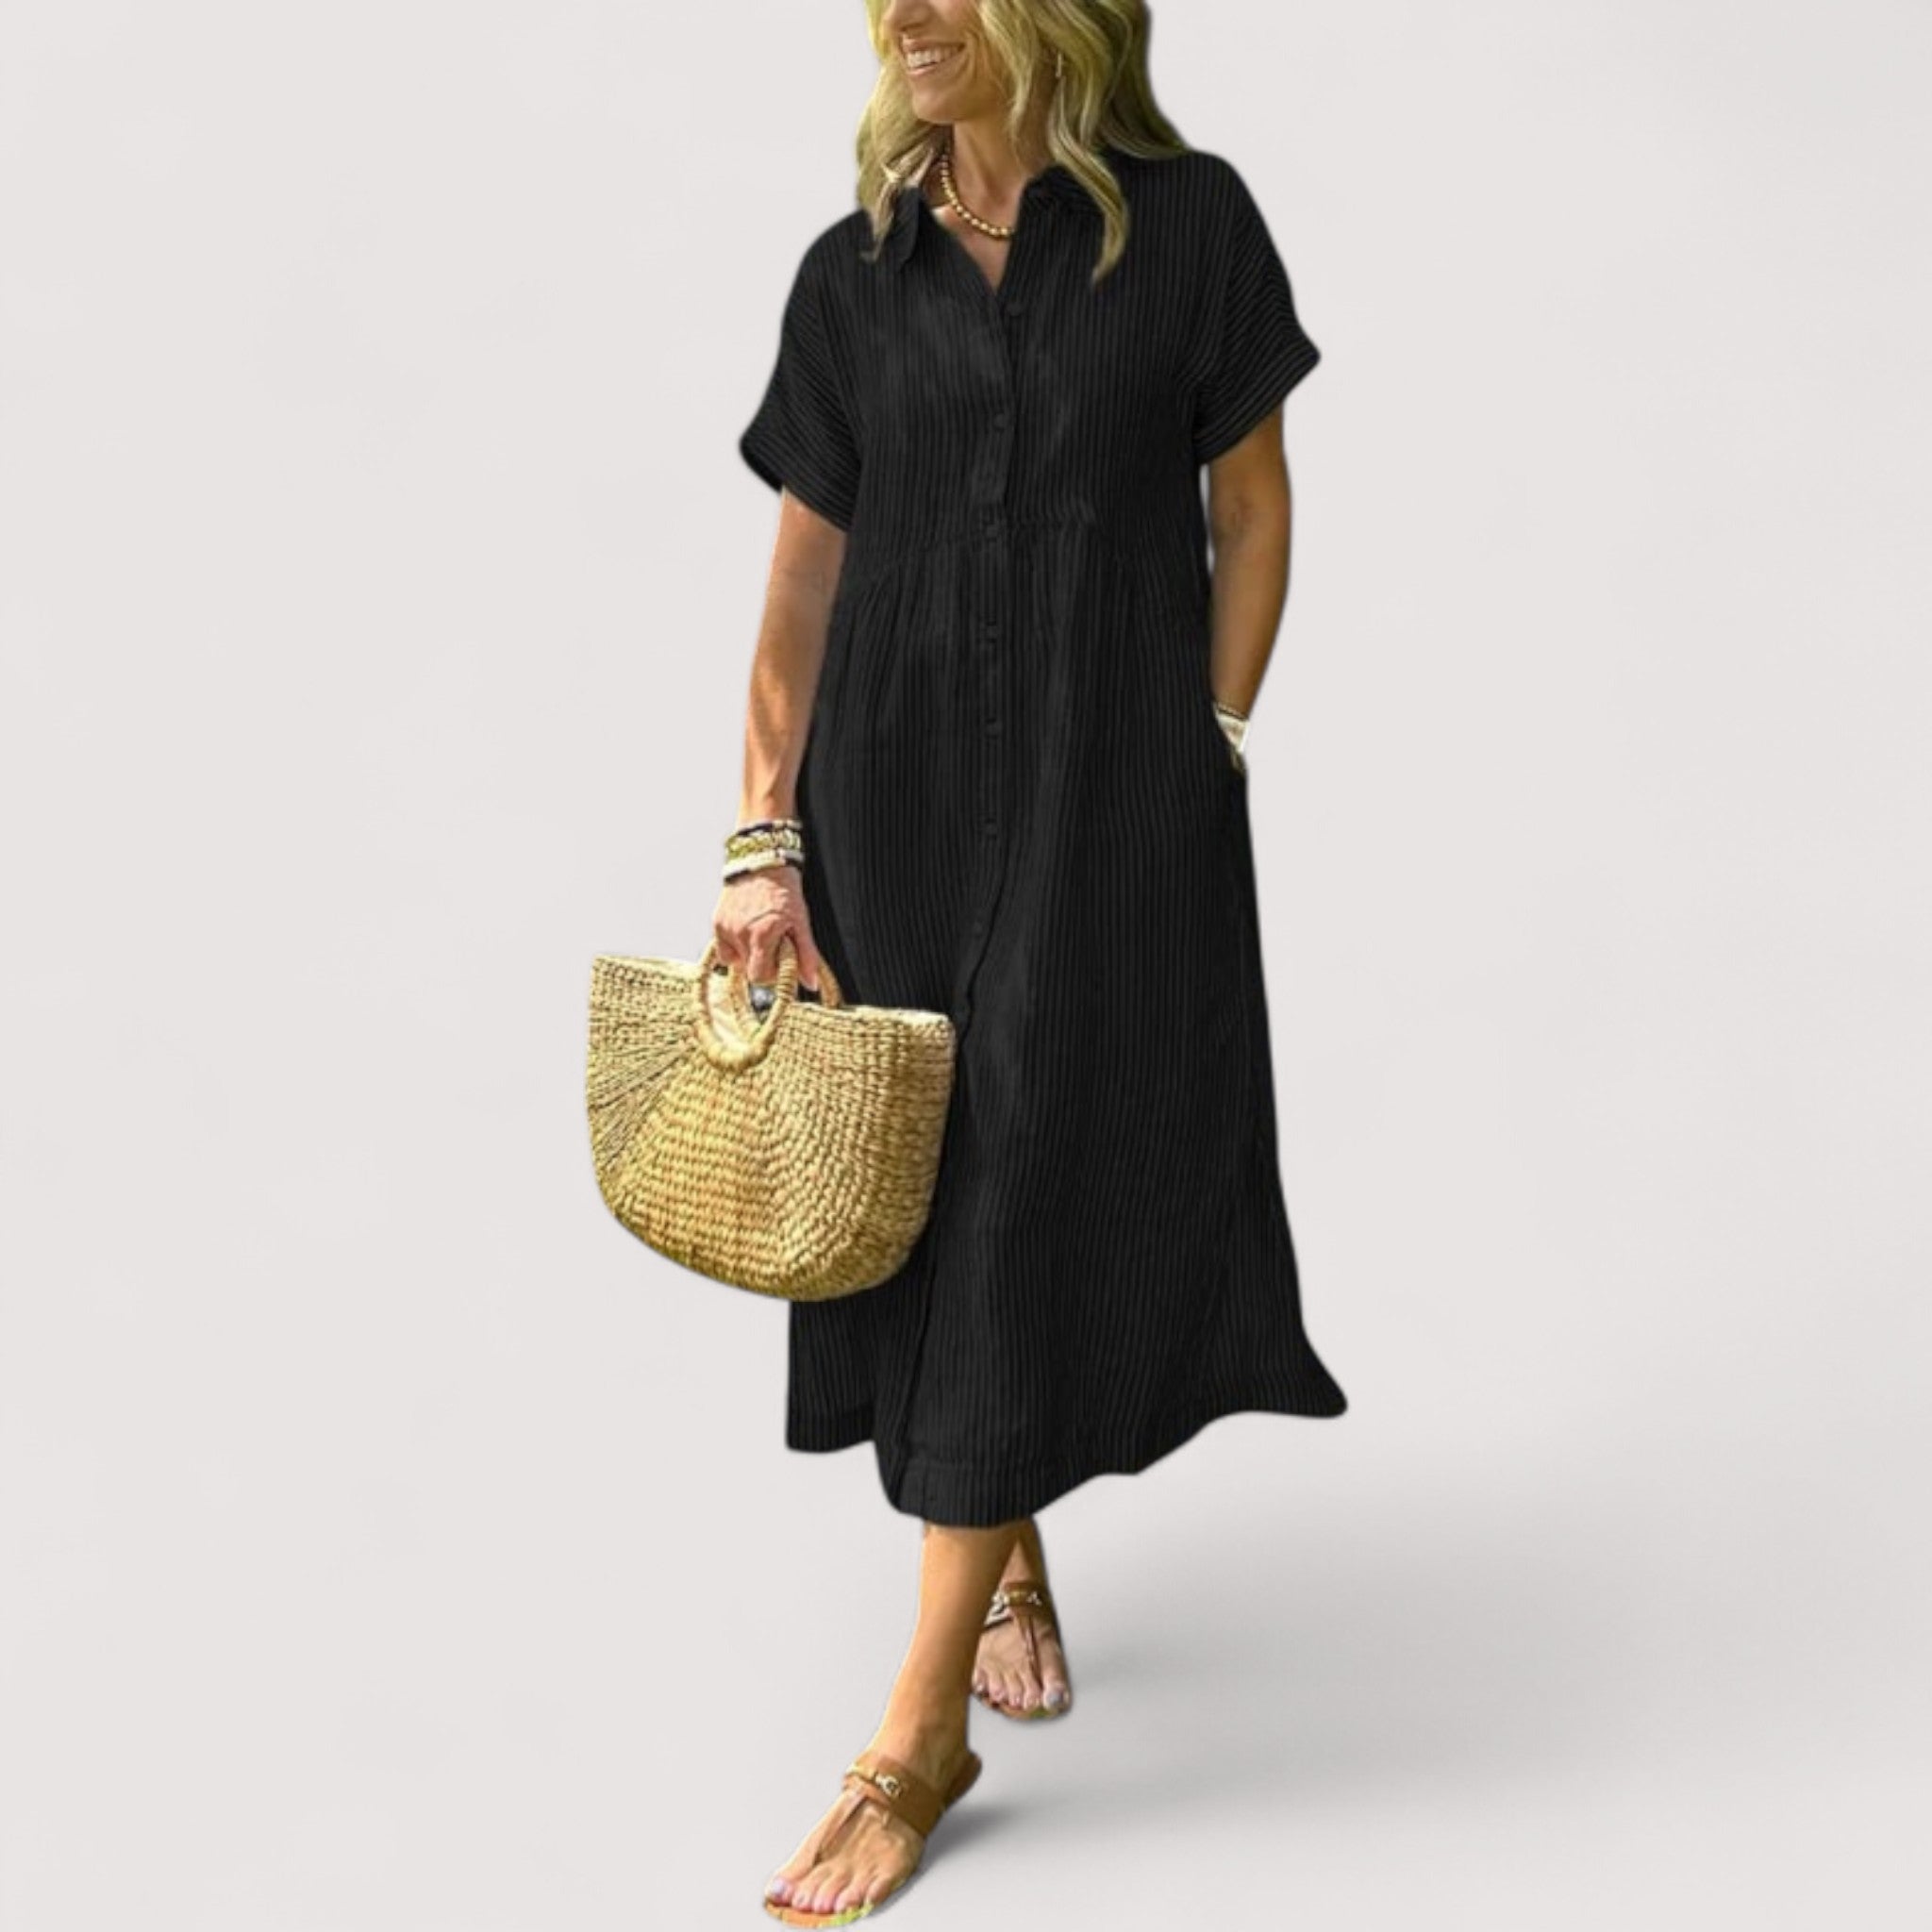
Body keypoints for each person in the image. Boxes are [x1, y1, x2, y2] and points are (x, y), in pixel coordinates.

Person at [717, 1, 1347, 1921]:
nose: (905, 16)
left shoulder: (1192, 227)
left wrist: (1205, 740)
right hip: (890, 803)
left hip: (1103, 807)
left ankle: (918, 1734)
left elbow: (1252, 505)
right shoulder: (852, 277)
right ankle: (1003, 1553)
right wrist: (761, 837)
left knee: (1025, 1185)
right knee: (930, 1201)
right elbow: (803, 576)